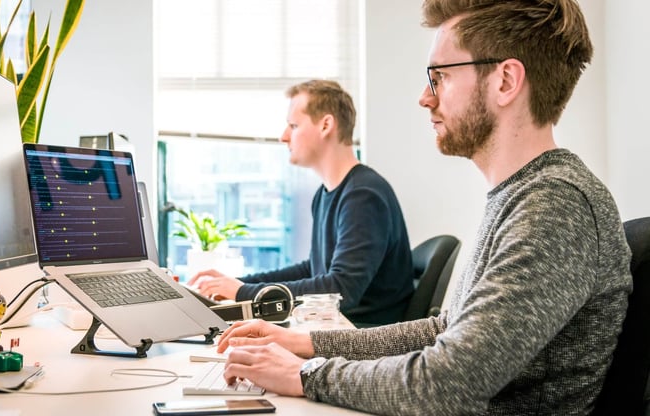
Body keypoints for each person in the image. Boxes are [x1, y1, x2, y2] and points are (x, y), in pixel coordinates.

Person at [212, 1, 633, 414]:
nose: (424, 98)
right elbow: (444, 331)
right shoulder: (522, 195)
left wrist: (306, 374)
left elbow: (446, 383)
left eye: (440, 77)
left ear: (505, 81)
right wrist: (304, 344)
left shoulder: (554, 205)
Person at [188, 79, 415, 326]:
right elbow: (313, 269)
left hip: (362, 337)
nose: (283, 137)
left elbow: (341, 291)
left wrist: (243, 293)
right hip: (336, 328)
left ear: (326, 125)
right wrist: (240, 284)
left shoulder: (363, 195)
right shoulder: (327, 194)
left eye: (293, 126)